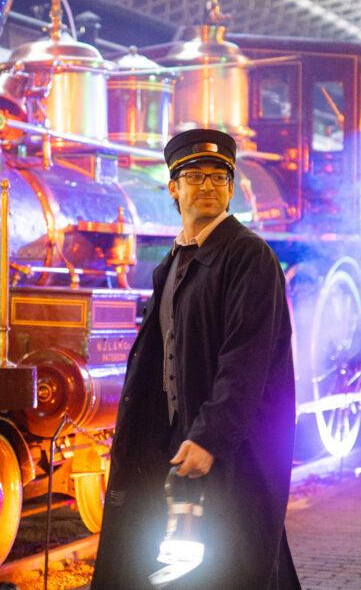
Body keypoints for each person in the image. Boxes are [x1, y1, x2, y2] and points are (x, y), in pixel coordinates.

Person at [91, 128, 301, 589]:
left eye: (219, 176)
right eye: (195, 176)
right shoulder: (171, 264)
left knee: (233, 565)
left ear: (229, 187)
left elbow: (246, 359)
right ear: (174, 187)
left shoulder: (250, 256)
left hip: (230, 449)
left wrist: (209, 436)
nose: (208, 185)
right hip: (177, 441)